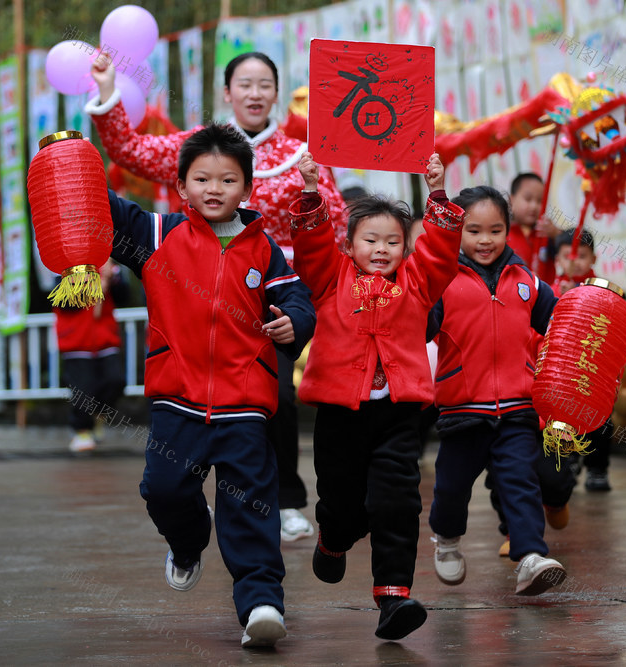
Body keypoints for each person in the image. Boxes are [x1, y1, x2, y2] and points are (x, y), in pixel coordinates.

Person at [87, 51, 346, 542]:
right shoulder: (198, 147)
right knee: (189, 404)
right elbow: (131, 152)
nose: (254, 93)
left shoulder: (301, 153)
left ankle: (283, 501)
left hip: (269, 291)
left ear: (275, 92)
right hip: (198, 290)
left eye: (264, 84)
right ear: (227, 93)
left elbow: (333, 225)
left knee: (277, 399)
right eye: (244, 84)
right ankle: (187, 508)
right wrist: (107, 91)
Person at [104, 123, 316, 646]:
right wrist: (66, 157)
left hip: (245, 407)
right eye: (202, 178)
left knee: (249, 507)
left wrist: (294, 322)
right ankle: (187, 541)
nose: (214, 189)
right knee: (163, 491)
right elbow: (105, 208)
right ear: (181, 187)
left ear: (247, 187)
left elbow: (297, 300)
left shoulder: (264, 249)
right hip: (176, 403)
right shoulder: (158, 234)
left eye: (228, 179)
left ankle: (262, 603)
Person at [288, 152, 463, 641]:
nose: (382, 249)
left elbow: (441, 252)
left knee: (397, 503)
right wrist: (309, 187)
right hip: (340, 415)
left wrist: (437, 193)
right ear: (349, 244)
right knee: (341, 501)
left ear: (407, 247)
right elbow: (311, 245)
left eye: (393, 241)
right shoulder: (329, 278)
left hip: (398, 415)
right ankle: (334, 538)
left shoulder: (418, 282)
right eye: (371, 240)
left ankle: (393, 598)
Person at [428, 185, 566, 596]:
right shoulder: (442, 280)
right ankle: (448, 540)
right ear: (457, 230)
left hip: (518, 409)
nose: (485, 240)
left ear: (508, 230)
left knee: (520, 482)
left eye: (495, 230)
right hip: (461, 411)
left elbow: (559, 322)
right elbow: (418, 327)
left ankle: (529, 557)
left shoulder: (527, 280)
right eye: (474, 230)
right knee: (451, 489)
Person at [551, 230, 614, 492]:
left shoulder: (601, 289)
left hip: (595, 369)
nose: (574, 262)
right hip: (564, 370)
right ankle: (569, 461)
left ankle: (598, 468)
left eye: (581, 256)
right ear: (557, 259)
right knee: (564, 418)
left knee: (600, 420)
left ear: (593, 258)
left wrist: (578, 294)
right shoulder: (551, 289)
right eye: (568, 256)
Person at [55, 259, 128, 453]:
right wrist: (93, 287)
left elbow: (124, 297)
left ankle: (98, 415)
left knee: (116, 380)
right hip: (77, 340)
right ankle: (81, 430)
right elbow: (65, 303)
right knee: (83, 390)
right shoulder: (63, 267)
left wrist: (114, 280)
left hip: (106, 338)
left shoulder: (107, 264)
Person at [507, 172, 555, 283]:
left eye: (540, 201)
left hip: (545, 296)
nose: (534, 206)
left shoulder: (548, 233)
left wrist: (556, 235)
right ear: (511, 200)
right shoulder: (502, 233)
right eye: (528, 199)